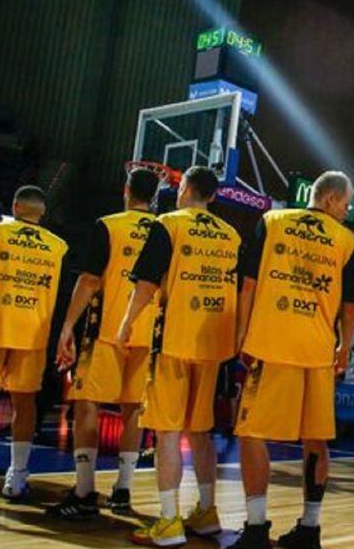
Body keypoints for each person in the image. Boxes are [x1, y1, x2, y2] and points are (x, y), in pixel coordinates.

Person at [229, 172, 354, 548]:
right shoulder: (345, 240)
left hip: (272, 344)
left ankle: (256, 528)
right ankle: (310, 527)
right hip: (318, 352)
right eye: (346, 203)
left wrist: (241, 333)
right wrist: (344, 348)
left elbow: (249, 285)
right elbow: (350, 309)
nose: (347, 210)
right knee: (316, 440)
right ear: (332, 200)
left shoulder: (272, 222)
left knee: (252, 434)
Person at [116, 166, 241, 546]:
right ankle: (206, 512)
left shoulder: (168, 224)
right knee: (200, 431)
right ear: (214, 196)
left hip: (174, 339)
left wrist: (125, 325)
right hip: (214, 345)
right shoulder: (232, 235)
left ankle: (169, 520)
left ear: (184, 188)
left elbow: (147, 283)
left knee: (167, 430)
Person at [46, 168, 160, 519]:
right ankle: (123, 490)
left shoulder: (109, 225)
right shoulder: (164, 230)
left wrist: (67, 324)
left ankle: (83, 492)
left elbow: (90, 279)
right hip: (147, 332)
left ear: (126, 190)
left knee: (86, 404)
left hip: (107, 329)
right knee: (133, 411)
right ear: (154, 197)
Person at [0, 186, 69, 500]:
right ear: (43, 212)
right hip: (35, 334)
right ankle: (17, 476)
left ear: (15, 206)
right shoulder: (59, 246)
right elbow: (63, 296)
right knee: (25, 405)